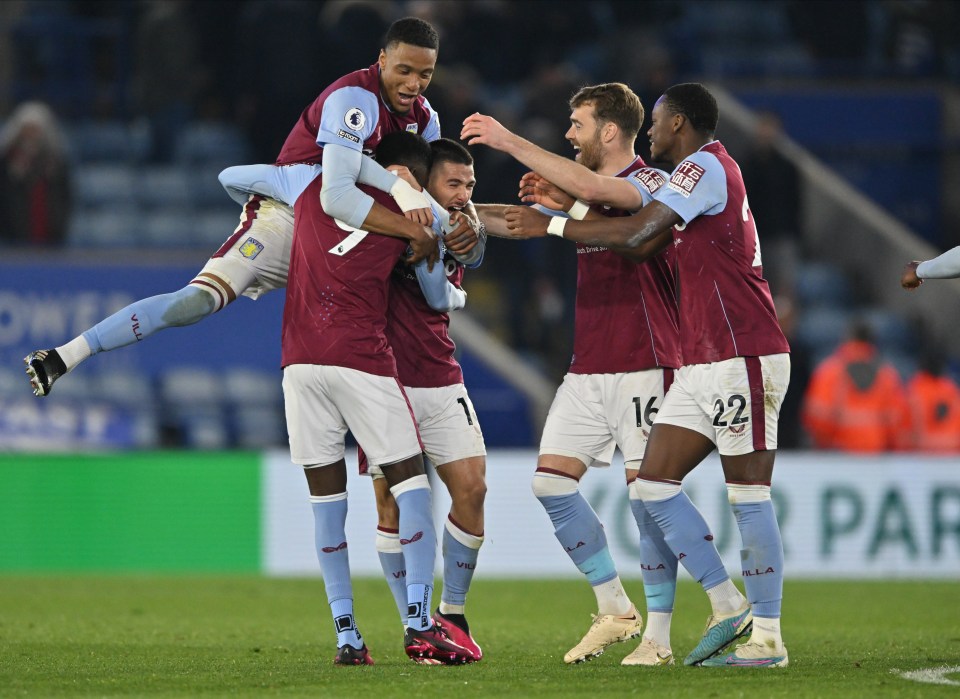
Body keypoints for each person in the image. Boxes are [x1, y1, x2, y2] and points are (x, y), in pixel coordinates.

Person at [463, 82, 792, 668]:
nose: (568, 133)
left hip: (699, 355)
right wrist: (431, 215)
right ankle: (667, 606)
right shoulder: (671, 185)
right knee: (629, 487)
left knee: (736, 495)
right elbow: (531, 219)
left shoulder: (666, 179)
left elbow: (631, 231)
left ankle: (739, 633)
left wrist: (520, 155)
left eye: (577, 124)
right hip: (659, 361)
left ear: (675, 124)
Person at [24, 17, 467, 398]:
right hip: (291, 220)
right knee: (193, 304)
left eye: (425, 75)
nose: (414, 84)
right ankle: (67, 354)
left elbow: (428, 199)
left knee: (406, 309)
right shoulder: (353, 99)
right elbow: (336, 195)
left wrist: (458, 226)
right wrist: (410, 217)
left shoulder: (425, 119)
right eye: (405, 70)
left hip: (356, 235)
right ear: (383, 59)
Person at [478, 82, 684, 666]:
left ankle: (660, 640)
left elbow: (596, 190)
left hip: (645, 363)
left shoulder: (650, 183)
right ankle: (616, 609)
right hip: (589, 367)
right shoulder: (582, 198)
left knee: (647, 501)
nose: (569, 135)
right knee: (549, 482)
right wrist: (445, 215)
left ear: (609, 131)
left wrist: (508, 140)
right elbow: (519, 221)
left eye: (577, 124)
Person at [282, 128, 470, 667]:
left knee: (327, 507)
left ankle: (346, 634)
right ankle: (417, 623)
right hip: (361, 359)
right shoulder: (414, 217)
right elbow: (437, 295)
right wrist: (452, 280)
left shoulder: (308, 186)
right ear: (408, 174)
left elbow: (231, 178)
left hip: (298, 362)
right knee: (412, 489)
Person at [368, 137, 487, 662]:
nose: (462, 195)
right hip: (382, 382)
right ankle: (416, 628)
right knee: (389, 506)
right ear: (422, 182)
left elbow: (443, 291)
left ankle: (453, 612)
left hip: (440, 377)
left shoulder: (455, 232)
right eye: (453, 183)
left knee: (473, 489)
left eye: (469, 185)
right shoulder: (383, 219)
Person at [801, 320, 910, 453]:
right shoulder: (887, 376)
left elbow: (816, 421)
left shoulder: (828, 372)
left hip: (836, 457)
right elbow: (898, 425)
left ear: (847, 339)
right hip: (876, 457)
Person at [0, 101, 72, 247]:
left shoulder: (56, 161)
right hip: (14, 233)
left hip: (50, 232)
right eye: (27, 129)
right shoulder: (7, 161)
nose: (31, 134)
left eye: (35, 129)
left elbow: (66, 196)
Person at [905, 350, 960, 452]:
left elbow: (901, 433)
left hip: (920, 455)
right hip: (952, 456)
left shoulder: (913, 390)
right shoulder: (952, 391)